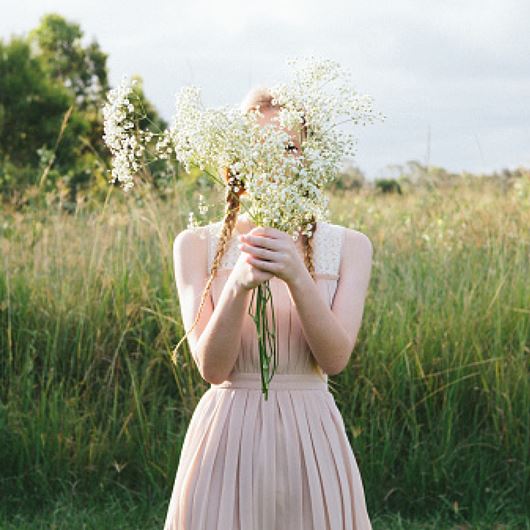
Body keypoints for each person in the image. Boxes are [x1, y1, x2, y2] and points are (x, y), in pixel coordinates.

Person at [163, 86, 374, 529]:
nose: (274, 158)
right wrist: (238, 283)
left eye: (289, 147)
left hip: (311, 438)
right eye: (256, 145)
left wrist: (297, 274)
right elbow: (212, 368)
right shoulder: (196, 246)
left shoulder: (350, 246)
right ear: (235, 157)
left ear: (310, 157)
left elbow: (334, 359)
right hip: (226, 436)